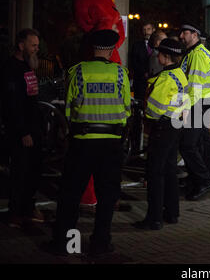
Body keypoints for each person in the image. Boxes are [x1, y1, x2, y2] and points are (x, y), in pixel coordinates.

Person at [47, 29, 131, 256]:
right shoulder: (121, 74)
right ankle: (100, 243)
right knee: (107, 196)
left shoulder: (77, 71)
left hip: (82, 141)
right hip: (111, 143)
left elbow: (69, 106)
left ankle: (64, 242)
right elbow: (126, 109)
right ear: (112, 49)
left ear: (92, 48)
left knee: (71, 193)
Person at [133, 38, 189, 230]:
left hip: (162, 128)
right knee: (170, 170)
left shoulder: (165, 79)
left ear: (166, 56)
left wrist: (144, 110)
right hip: (175, 125)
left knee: (155, 173)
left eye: (159, 54)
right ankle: (172, 213)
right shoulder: (180, 74)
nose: (157, 56)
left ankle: (154, 218)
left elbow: (154, 110)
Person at [1, 28, 44, 228]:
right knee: (20, 171)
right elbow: (13, 104)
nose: (36, 49)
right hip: (21, 131)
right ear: (21, 45)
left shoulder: (28, 66)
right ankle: (15, 212)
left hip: (33, 129)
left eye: (37, 45)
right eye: (33, 45)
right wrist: (23, 132)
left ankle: (28, 208)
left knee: (32, 171)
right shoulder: (11, 69)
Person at [179, 22, 210, 201]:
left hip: (197, 104)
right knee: (202, 142)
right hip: (202, 103)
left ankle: (204, 180)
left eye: (184, 33)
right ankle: (199, 178)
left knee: (187, 145)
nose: (181, 36)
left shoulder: (197, 55)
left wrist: (186, 107)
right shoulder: (197, 53)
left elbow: (194, 86)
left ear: (194, 34)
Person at [130, 22, 155, 101]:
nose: (146, 32)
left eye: (148, 29)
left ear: (153, 30)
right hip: (140, 81)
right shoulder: (136, 45)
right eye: (144, 30)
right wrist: (144, 72)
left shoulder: (158, 45)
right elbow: (134, 62)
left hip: (155, 81)